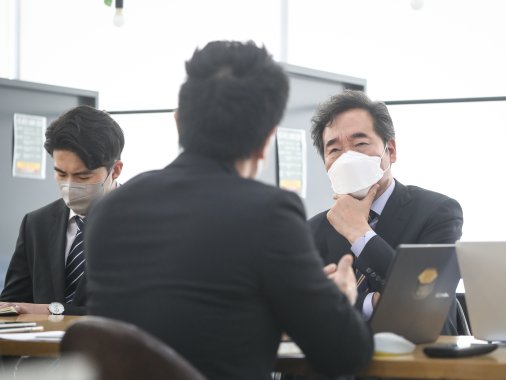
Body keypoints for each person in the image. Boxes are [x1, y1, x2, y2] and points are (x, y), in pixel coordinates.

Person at [86, 41, 373, 380]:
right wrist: (337, 298)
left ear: (179, 123)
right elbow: (345, 354)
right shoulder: (269, 212)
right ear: (267, 139)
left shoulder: (109, 210)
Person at [308, 90, 468, 334]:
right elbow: (305, 309)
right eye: (334, 150)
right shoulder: (312, 230)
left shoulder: (437, 212)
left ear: (390, 150)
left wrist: (360, 233)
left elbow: (426, 299)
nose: (347, 158)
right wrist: (370, 302)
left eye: (360, 143)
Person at [0, 105, 124, 316]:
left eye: (83, 177)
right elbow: (11, 305)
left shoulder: (142, 225)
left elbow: (134, 312)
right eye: (60, 173)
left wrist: (52, 311)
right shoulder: (36, 223)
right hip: (40, 349)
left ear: (115, 170)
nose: (69, 184)